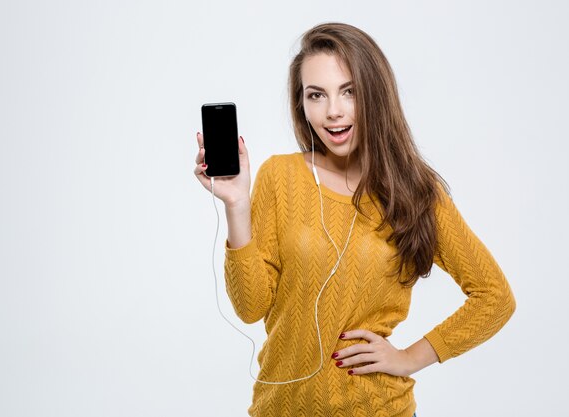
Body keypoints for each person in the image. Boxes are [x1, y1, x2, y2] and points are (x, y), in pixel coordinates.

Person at [193, 22, 515, 417]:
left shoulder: (415, 190)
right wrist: (237, 206)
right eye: (316, 95)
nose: (333, 111)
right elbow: (250, 307)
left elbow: (495, 297)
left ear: (375, 95)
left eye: (349, 91)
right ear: (302, 103)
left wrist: (410, 358)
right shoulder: (280, 176)